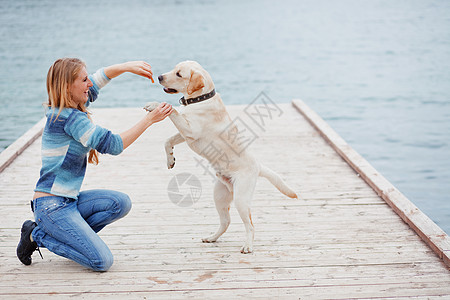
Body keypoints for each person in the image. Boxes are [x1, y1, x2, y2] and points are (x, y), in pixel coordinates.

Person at [16, 58, 173, 271]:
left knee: (120, 203)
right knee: (102, 261)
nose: (89, 83)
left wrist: (126, 67)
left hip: (68, 201)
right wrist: (149, 120)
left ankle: (71, 238)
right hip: (51, 207)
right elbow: (114, 145)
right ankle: (37, 235)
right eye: (83, 80)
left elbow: (98, 80)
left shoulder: (68, 106)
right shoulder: (69, 118)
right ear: (67, 86)